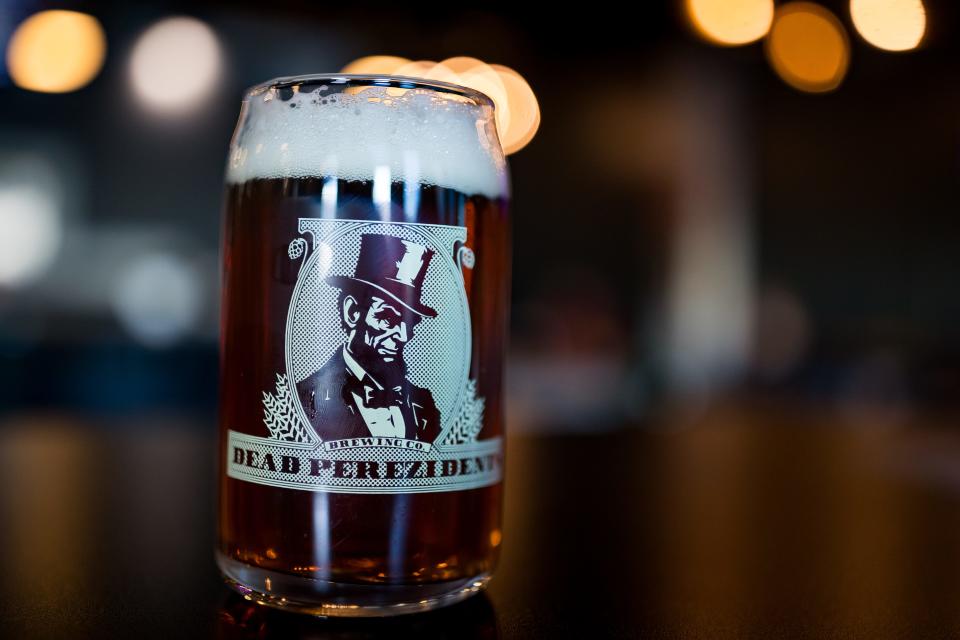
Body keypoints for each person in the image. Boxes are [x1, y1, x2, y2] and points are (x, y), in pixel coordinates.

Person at [297, 233, 441, 443]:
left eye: (409, 323)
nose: (402, 336)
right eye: (388, 317)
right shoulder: (305, 397)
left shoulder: (424, 404)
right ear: (352, 312)